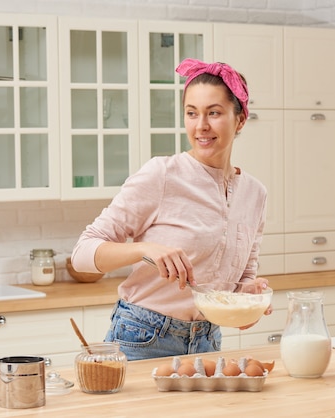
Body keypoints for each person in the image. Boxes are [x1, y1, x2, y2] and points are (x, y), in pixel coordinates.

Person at [71, 58, 270, 361]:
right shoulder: (162, 174)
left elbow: (241, 283)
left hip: (208, 340)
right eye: (192, 113)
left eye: (214, 113)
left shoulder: (255, 194)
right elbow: (82, 255)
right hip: (142, 337)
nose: (201, 126)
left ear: (240, 119)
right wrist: (144, 250)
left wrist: (250, 297)